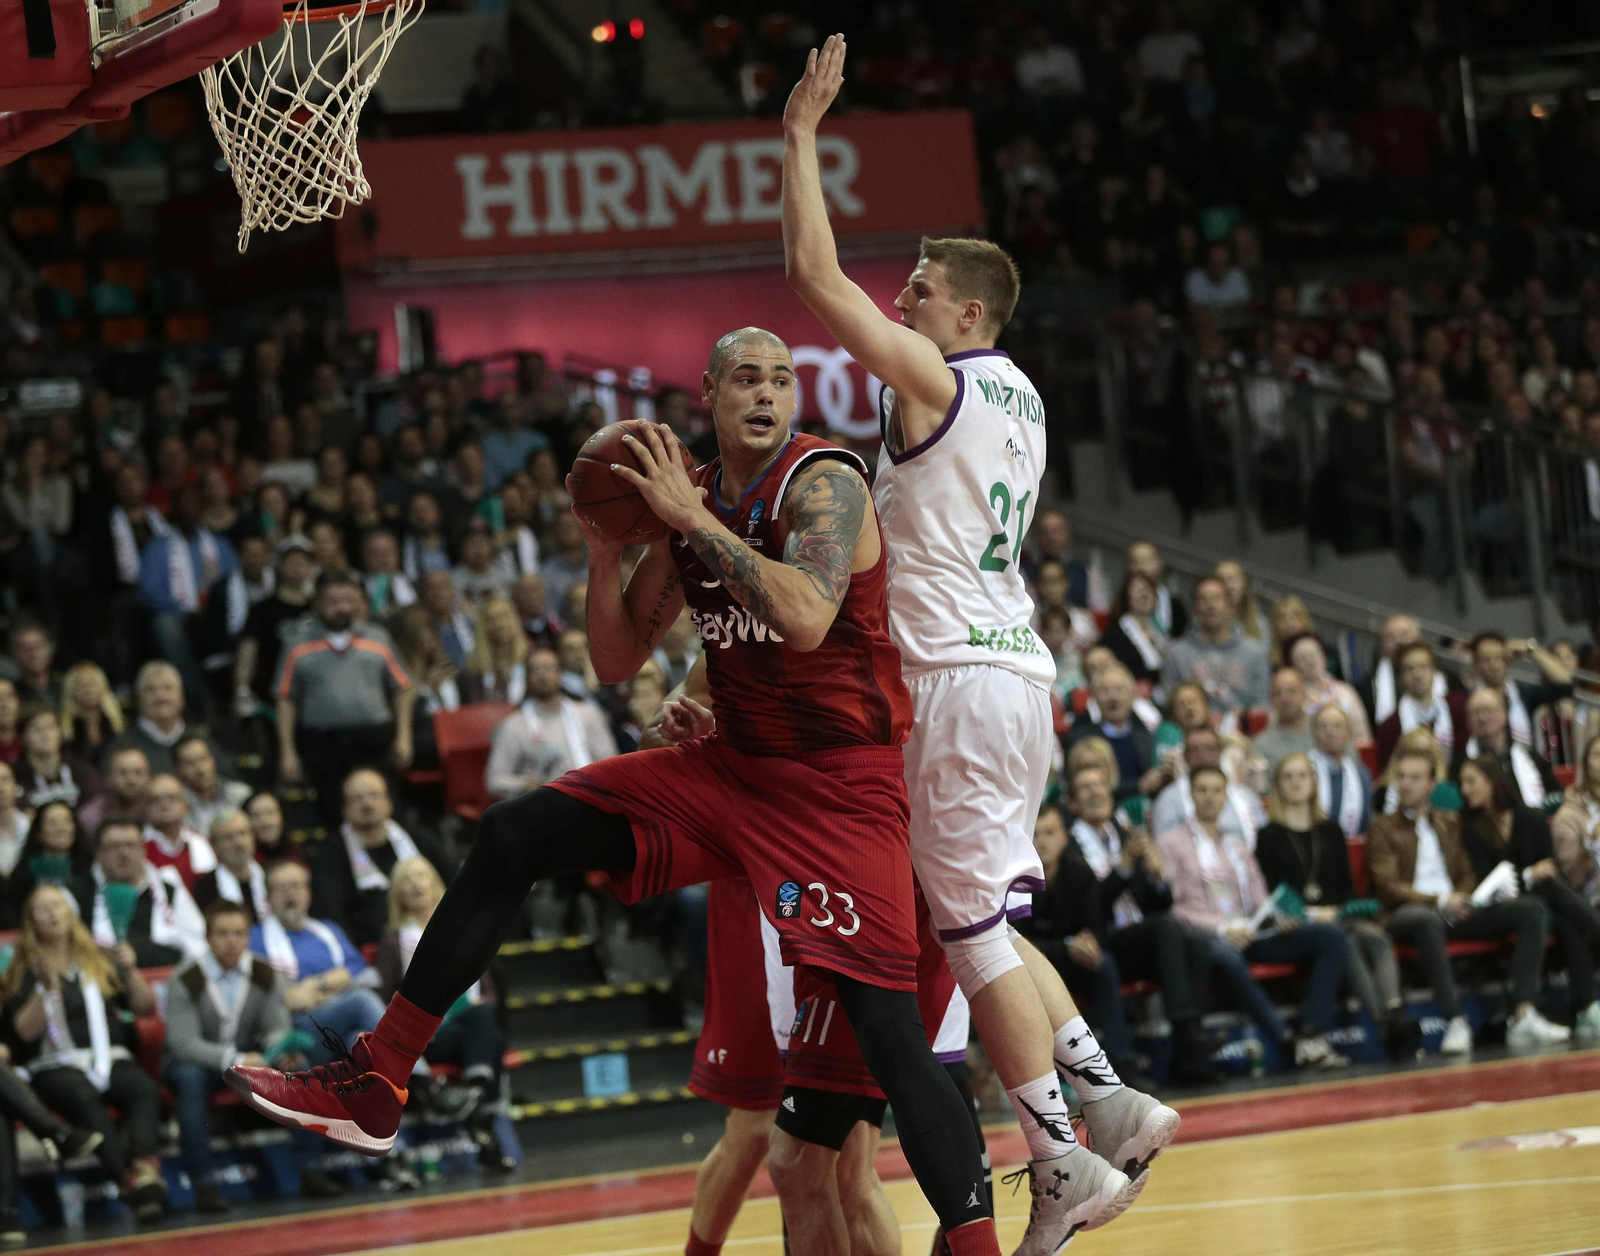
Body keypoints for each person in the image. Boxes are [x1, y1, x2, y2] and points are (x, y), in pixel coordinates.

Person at [229, 311, 1014, 1256]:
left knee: (887, 1033)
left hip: (838, 787)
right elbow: (614, 657)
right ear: (711, 400)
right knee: (515, 833)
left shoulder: (826, 481)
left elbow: (806, 616)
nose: (766, 392)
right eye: (745, 380)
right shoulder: (690, 498)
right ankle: (379, 1077)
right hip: (732, 772)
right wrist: (609, 553)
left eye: (779, 379)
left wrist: (687, 520)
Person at [785, 38, 1181, 1245]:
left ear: (967, 311)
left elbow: (814, 279)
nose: (895, 297)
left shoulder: (939, 381)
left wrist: (800, 138)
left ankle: (1058, 1151)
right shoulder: (1026, 396)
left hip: (954, 676)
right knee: (987, 924)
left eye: (915, 288)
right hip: (1017, 670)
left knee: (963, 933)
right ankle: (1105, 1098)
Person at [1367, 747, 1565, 1054]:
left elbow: (1467, 871)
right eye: (1401, 777)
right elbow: (1388, 885)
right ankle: (1455, 1019)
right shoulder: (1382, 826)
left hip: (1457, 910)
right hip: (1408, 913)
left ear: (1432, 784)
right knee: (1427, 920)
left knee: (1531, 910)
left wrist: (1464, 897)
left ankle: (1523, 1012)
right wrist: (1441, 900)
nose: (1406, 784)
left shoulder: (1450, 822)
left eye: (1415, 778)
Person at [1030, 768, 1218, 1085]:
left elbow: (1158, 903)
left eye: (1100, 785)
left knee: (1194, 942)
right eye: (1085, 787)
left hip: (1141, 935)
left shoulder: (1125, 831)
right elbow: (1092, 908)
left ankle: (1187, 1056)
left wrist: (1158, 877)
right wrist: (1124, 868)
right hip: (1105, 936)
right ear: (1073, 803)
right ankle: (1184, 1037)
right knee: (1163, 930)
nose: (1095, 793)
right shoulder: (1067, 843)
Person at [1158, 766, 1353, 1069]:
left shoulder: (1236, 845)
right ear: (1191, 796)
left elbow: (1260, 898)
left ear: (1226, 796)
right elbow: (1175, 908)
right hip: (1208, 935)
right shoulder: (1172, 842)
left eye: (1217, 790)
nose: (1210, 797)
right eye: (1202, 790)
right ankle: (1287, 1038)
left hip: (1252, 931)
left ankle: (1313, 1028)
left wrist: (1275, 919)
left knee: (1330, 935)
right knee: (1229, 956)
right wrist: (1222, 928)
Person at [2, 885, 166, 1221]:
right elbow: (23, 1033)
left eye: (57, 906)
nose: (52, 914)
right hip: (53, 1064)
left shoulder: (101, 958)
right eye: (42, 909)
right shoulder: (20, 970)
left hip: (108, 1056)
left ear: (71, 912)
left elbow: (144, 1007)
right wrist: (44, 989)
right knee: (82, 1094)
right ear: (30, 921)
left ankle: (145, 1167)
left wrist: (132, 970)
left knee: (142, 1088)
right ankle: (128, 1180)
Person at [1255, 755, 1420, 1058]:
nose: (1296, 782)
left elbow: (1346, 889)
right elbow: (1272, 893)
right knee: (1347, 943)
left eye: (1302, 775)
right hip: (1297, 923)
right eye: (1288, 777)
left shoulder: (1331, 831)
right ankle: (1384, 1024)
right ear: (1277, 786)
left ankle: (1393, 1014)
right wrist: (1315, 913)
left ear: (1313, 783)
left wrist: (1335, 910)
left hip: (1339, 915)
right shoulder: (1268, 835)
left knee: (1377, 938)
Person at [374, 858, 510, 1169]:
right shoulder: (394, 941)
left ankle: (472, 1099)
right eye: (406, 880)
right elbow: (381, 999)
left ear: (435, 885)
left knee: (483, 1015)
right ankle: (481, 1111)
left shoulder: (463, 928)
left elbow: (486, 989)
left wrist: (475, 1005)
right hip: (424, 1037)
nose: (415, 884)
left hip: (467, 1028)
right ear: (397, 894)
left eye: (421, 876)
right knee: (491, 1038)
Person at [162, 900, 294, 1213]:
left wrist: (279, 1051)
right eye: (222, 933)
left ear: (248, 937)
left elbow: (277, 1027)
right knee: (190, 1079)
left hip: (248, 1059)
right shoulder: (187, 979)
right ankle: (204, 1183)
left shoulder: (264, 974)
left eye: (238, 933)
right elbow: (183, 1044)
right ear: (207, 938)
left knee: (304, 1065)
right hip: (197, 1062)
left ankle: (313, 1167)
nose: (231, 941)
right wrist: (235, 1058)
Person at [1459, 756, 1600, 1042]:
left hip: (1538, 899)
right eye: (1462, 783)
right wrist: (1528, 875)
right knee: (1545, 898)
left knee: (1565, 918)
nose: (1464, 789)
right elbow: (1484, 878)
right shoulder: (1467, 827)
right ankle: (1525, 1013)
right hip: (1491, 906)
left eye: (1471, 782)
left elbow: (1549, 863)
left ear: (1492, 782)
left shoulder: (1531, 817)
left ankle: (1586, 1010)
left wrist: (1536, 873)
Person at [274, 570, 414, 823]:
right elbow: (285, 698)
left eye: (349, 600)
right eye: (333, 601)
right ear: (317, 603)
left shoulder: (378, 638)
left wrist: (404, 736)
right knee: (333, 815)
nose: (342, 608)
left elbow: (402, 688)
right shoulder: (296, 645)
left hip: (374, 740)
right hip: (323, 744)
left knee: (386, 810)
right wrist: (288, 751)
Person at [311, 769, 454, 947]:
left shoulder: (420, 840)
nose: (367, 804)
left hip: (434, 939)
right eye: (357, 798)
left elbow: (454, 883)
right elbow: (331, 911)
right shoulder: (330, 853)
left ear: (389, 803)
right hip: (369, 949)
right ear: (345, 809)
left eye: (374, 795)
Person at [137, 483, 240, 707]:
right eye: (182, 506)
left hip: (216, 618)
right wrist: (184, 611)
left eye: (193, 505)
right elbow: (147, 591)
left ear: (202, 509)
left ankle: (232, 692)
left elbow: (234, 585)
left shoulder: (219, 545)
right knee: (165, 625)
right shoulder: (158, 547)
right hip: (178, 618)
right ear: (173, 510)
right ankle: (200, 695)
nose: (188, 511)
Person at [69, 816, 206, 966]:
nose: (124, 854)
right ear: (98, 852)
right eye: (114, 846)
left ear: (143, 850)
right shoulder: (76, 893)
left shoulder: (169, 891)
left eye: (131, 845)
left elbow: (198, 949)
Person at [484, 646, 615, 798]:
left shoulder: (588, 714)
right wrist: (525, 784)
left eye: (549, 668)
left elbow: (610, 763)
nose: (543, 676)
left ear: (560, 674)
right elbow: (494, 781)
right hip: (542, 804)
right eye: (536, 670)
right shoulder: (513, 725)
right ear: (527, 677)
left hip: (591, 797)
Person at [1159, 576, 1271, 716]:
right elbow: (1169, 706)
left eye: (1216, 598)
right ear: (1195, 609)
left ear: (1231, 608)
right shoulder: (1176, 654)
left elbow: (1262, 705)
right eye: (1204, 599)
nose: (1210, 605)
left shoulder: (1255, 653)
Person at [233, 536, 315, 718]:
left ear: (310, 568)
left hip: (317, 693)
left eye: (303, 562)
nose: (297, 567)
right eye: (292, 562)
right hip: (277, 694)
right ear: (279, 565)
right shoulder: (262, 609)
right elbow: (248, 650)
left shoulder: (320, 608)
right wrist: (242, 689)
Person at [1063, 664, 1167, 805]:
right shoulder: (1080, 739)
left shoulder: (1147, 734)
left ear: (1132, 695)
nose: (1113, 697)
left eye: (1119, 690)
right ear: (1095, 698)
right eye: (1105, 691)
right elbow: (1080, 788)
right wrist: (1137, 787)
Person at [1149, 725, 1266, 846]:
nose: (1202, 754)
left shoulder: (1245, 795)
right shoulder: (1169, 799)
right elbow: (1166, 848)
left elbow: (1265, 839)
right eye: (1195, 749)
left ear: (1219, 752)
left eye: (1208, 748)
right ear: (1185, 755)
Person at [1449, 688, 1560, 812]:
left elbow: (1555, 793)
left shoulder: (1528, 754)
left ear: (1504, 713)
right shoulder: (1461, 762)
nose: (1483, 718)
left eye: (1488, 710)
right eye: (1476, 712)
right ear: (1468, 720)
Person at [1468, 632, 1573, 749]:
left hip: (1521, 762)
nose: (1494, 666)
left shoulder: (1522, 692)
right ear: (1475, 664)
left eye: (1499, 658)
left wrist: (1531, 649)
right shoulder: (1468, 697)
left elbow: (1565, 683)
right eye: (1487, 660)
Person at [1374, 642, 1467, 770]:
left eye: (1423, 667)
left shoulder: (1457, 708)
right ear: (1401, 676)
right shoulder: (1390, 727)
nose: (1417, 675)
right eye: (1410, 669)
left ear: (1434, 671)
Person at [107, 660, 203, 776]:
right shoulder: (120, 748)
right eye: (151, 690)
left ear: (182, 697)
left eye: (168, 688)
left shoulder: (202, 740)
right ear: (139, 699)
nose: (161, 696)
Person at [1285, 633, 1372, 745]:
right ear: (1294, 665)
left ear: (1324, 658)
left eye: (1313, 654)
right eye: (1303, 658)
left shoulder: (1345, 692)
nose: (1310, 661)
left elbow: (1362, 737)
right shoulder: (1290, 697)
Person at [13, 705, 102, 813]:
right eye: (37, 730)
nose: (46, 735)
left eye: (51, 728)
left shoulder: (79, 768)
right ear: (22, 737)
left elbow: (96, 804)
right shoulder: (15, 775)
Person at [191, 809, 271, 924]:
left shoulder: (271, 876)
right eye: (228, 837)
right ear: (215, 845)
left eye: (243, 833)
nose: (238, 843)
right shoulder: (204, 887)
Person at [142, 771, 217, 889]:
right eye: (156, 800)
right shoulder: (139, 848)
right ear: (146, 808)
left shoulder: (203, 843)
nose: (164, 804)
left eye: (172, 798)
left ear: (185, 805)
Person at [1360, 614, 1438, 726]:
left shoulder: (1448, 680)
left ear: (1419, 637)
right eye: (1391, 637)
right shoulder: (1368, 687)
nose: (1399, 641)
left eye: (1404, 634)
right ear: (1382, 645)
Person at [1309, 705, 1373, 839]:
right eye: (1323, 726)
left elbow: (1367, 823)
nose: (1330, 732)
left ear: (1348, 734)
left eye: (1337, 726)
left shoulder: (1361, 775)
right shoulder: (1305, 773)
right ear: (1314, 734)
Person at [1099, 571, 1168, 690]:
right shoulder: (1114, 635)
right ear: (1126, 596)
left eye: (1148, 589)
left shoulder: (1160, 633)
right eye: (1137, 590)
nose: (1144, 594)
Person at [458, 595, 530, 705]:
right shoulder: (472, 671)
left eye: (504, 617)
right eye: (492, 620)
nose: (500, 625)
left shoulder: (530, 659)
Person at [175, 733, 252, 837]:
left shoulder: (241, 795)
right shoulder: (176, 807)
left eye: (203, 759)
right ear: (178, 770)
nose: (200, 769)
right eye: (190, 763)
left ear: (213, 760)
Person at [59, 661, 124, 766]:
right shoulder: (64, 730)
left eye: (92, 684)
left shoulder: (117, 726)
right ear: (71, 691)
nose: (87, 689)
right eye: (81, 685)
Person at [78, 744, 151, 837]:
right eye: (123, 773)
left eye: (138, 772)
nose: (131, 780)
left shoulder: (157, 811)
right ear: (109, 777)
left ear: (149, 777)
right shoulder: (91, 817)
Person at [1252, 667, 1315, 773]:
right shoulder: (1261, 746)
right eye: (1278, 693)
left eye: (1292, 691)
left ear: (1304, 694)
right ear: (1271, 700)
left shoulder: (1324, 733)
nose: (1285, 698)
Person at [1126, 542, 1187, 639]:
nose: (1140, 568)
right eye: (1135, 562)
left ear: (1159, 564)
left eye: (1145, 561)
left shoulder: (1175, 604)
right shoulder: (1122, 601)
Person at [420, 569, 475, 671]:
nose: (437, 593)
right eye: (432, 588)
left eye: (442, 587)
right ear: (424, 595)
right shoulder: (421, 632)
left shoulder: (470, 625)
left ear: (452, 591)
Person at [9, 622, 61, 709]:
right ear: (15, 656)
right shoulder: (12, 694)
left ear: (49, 650)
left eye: (38, 647)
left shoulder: (64, 686)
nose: (33, 655)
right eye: (26, 649)